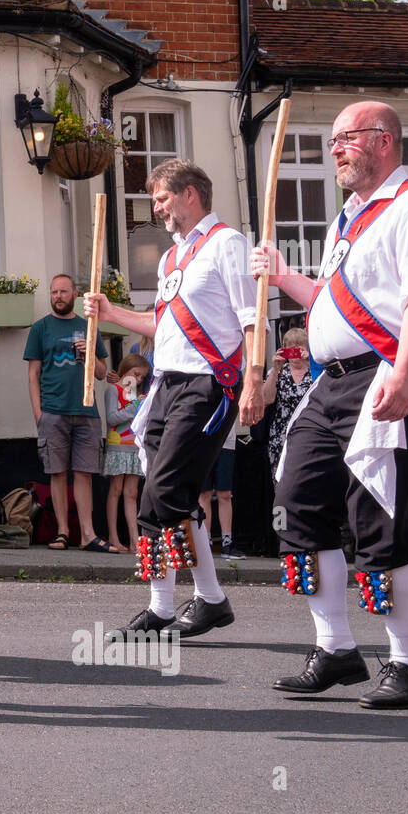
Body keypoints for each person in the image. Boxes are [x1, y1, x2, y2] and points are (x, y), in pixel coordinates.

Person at [252, 101, 408, 709]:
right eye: (333, 140)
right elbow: (332, 303)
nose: (335, 149)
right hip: (328, 382)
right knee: (297, 503)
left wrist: (406, 370)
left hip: (383, 377)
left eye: (345, 139)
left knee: (378, 522)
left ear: (384, 141)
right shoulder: (346, 220)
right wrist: (284, 276)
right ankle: (336, 648)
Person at [85, 158, 264, 639]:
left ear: (191, 194)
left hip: (208, 385)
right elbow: (164, 325)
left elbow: (253, 318)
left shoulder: (227, 243)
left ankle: (164, 607)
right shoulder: (170, 258)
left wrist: (253, 380)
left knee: (161, 494)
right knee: (175, 498)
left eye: (162, 198)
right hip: (166, 385)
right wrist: (111, 311)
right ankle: (209, 600)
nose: (157, 208)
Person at [24, 273, 110, 551]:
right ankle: (62, 532)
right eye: (53, 292)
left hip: (86, 411)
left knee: (84, 473)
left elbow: (102, 374)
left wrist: (90, 356)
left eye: (63, 292)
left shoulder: (89, 327)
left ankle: (87, 534)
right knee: (57, 473)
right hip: (52, 411)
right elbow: (33, 374)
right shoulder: (40, 328)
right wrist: (38, 413)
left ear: (75, 294)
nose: (58, 296)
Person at [103, 353, 150, 553]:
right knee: (115, 491)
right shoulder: (113, 391)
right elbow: (112, 418)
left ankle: (134, 540)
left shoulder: (134, 395)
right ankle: (113, 537)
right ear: (126, 369)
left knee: (132, 493)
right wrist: (135, 406)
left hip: (135, 446)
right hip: (118, 445)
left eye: (142, 377)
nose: (138, 380)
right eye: (136, 374)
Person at [262, 326, 314, 474]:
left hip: (309, 430)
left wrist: (311, 361)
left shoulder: (315, 372)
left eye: (298, 348)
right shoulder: (278, 372)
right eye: (290, 349)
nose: (295, 353)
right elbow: (266, 399)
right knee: (281, 478)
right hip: (281, 433)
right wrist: (276, 369)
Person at [198, 424, 242, 559]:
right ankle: (206, 541)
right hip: (202, 438)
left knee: (225, 494)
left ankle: (227, 543)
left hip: (226, 440)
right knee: (205, 493)